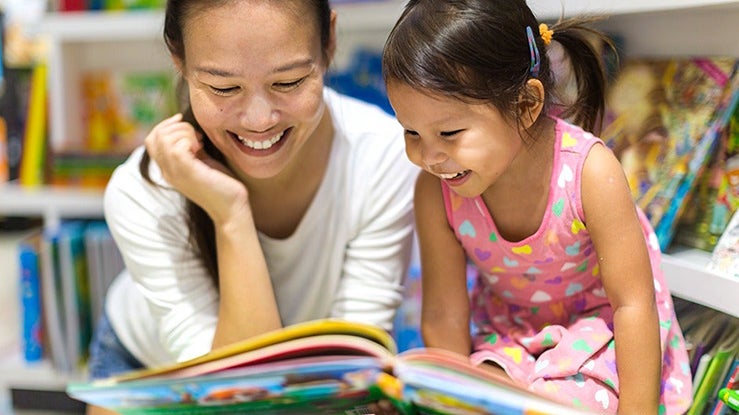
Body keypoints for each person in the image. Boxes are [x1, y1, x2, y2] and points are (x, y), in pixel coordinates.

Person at [86, 0, 417, 412]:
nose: (259, 120)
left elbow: (350, 369)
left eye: (289, 81)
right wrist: (230, 216)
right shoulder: (144, 191)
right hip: (148, 367)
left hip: (310, 382)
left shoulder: (383, 158)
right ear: (179, 58)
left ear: (329, 41)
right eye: (224, 88)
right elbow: (238, 402)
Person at [381, 1, 693, 414]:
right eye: (411, 131)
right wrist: (449, 401)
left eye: (450, 132)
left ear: (527, 105)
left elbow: (633, 306)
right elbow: (444, 317)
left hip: (599, 337)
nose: (430, 155)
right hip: (509, 340)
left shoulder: (590, 172)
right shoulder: (435, 191)